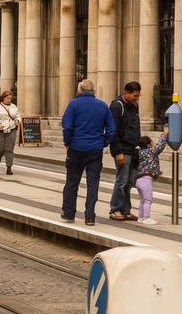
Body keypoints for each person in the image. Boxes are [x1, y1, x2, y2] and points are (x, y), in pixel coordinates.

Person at [60, 78, 115, 226]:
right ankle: (90, 216)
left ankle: (69, 213)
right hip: (95, 149)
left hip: (76, 148)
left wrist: (67, 142)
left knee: (72, 181)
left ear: (79, 90)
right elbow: (111, 129)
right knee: (93, 183)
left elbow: (67, 126)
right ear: (94, 91)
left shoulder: (73, 104)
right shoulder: (103, 106)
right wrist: (104, 142)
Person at [107, 81, 143, 221]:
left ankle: (126, 210)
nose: (136, 98)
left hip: (133, 149)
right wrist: (117, 151)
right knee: (121, 181)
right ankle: (114, 209)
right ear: (126, 93)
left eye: (138, 96)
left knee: (129, 182)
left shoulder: (134, 106)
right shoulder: (117, 106)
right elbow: (113, 130)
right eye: (134, 96)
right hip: (123, 149)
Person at [134, 134, 166, 225]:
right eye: (151, 142)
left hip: (138, 179)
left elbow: (147, 165)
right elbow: (160, 146)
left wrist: (156, 172)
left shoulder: (139, 152)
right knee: (148, 200)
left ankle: (140, 217)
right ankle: (146, 218)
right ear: (148, 144)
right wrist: (164, 136)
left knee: (142, 200)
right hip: (146, 179)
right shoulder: (150, 151)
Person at [0, 89, 21, 174]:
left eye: (10, 98)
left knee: (9, 149)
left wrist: (18, 120)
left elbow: (18, 116)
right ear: (3, 98)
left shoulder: (14, 107)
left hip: (11, 129)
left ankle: (9, 167)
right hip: (0, 130)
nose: (9, 100)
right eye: (7, 98)